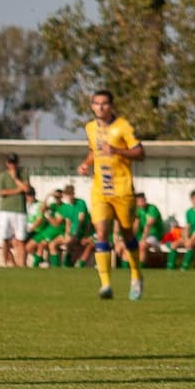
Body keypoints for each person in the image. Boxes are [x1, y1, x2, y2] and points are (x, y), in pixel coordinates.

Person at [75, 90, 146, 300]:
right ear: (91, 106)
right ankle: (105, 285)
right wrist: (86, 164)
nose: (100, 108)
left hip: (122, 190)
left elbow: (140, 153)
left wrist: (117, 151)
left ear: (111, 106)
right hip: (100, 190)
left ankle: (136, 275)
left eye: (104, 104)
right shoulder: (89, 128)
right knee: (102, 233)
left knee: (127, 234)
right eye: (96, 104)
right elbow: (94, 150)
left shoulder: (122, 127)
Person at [0, 154, 35, 270]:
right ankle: (10, 264)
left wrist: (15, 178)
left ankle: (21, 264)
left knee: (20, 239)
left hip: (20, 211)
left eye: (14, 162)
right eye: (10, 162)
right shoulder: (3, 176)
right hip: (5, 210)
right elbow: (2, 192)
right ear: (7, 163)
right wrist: (17, 190)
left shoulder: (23, 174)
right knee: (5, 238)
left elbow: (26, 189)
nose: (12, 165)